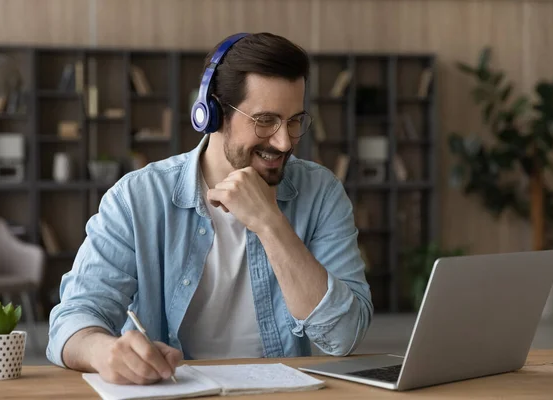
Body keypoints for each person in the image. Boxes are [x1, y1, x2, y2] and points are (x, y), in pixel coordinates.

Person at [46, 32, 373, 385]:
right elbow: (73, 319)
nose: (284, 141)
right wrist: (103, 351)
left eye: (294, 120)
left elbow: (344, 336)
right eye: (265, 121)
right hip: (170, 391)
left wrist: (269, 222)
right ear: (211, 113)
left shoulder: (321, 192)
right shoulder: (137, 199)